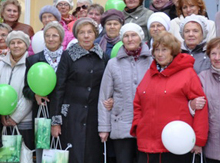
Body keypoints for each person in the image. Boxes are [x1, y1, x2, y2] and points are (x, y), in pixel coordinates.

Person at [131, 32, 208, 163]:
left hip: (175, 144)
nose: (160, 54)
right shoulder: (150, 74)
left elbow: (201, 107)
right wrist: (139, 126)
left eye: (164, 50)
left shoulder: (187, 74)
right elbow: (138, 103)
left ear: (173, 52)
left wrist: (199, 140)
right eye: (157, 50)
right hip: (146, 146)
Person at [50, 18, 109, 163]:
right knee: (73, 155)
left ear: (95, 35)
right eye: (82, 32)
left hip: (94, 116)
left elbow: (108, 86)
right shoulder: (68, 56)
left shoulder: (103, 57)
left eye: (90, 32)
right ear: (77, 35)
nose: (86, 36)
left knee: (92, 155)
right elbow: (59, 88)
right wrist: (55, 122)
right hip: (71, 115)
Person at [98, 23, 153, 163]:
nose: (130, 39)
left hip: (147, 125)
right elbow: (104, 97)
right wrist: (104, 128)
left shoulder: (152, 61)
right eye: (126, 36)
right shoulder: (112, 64)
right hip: (121, 124)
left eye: (133, 35)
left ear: (140, 37)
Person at [23, 21, 65, 163]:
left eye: (55, 35)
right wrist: (35, 94)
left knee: (62, 154)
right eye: (47, 35)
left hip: (65, 113)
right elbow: (26, 89)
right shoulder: (33, 60)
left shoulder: (69, 58)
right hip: (42, 114)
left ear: (61, 38)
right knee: (43, 154)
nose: (51, 39)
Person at [0, 31, 34, 152]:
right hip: (4, 120)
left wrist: (15, 117)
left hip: (24, 120)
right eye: (12, 43)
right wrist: (2, 114)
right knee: (6, 157)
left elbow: (29, 94)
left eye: (20, 42)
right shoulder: (0, 65)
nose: (16, 45)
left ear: (26, 45)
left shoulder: (31, 64)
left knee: (24, 156)